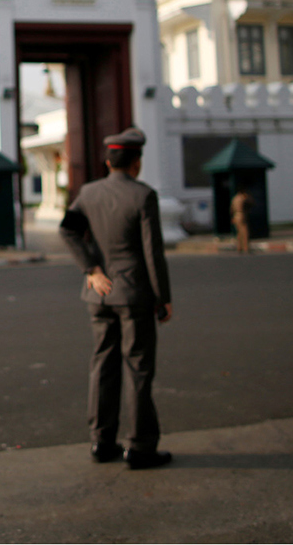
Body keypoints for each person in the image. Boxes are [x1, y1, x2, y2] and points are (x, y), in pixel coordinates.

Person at [59, 127, 173, 470]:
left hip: (99, 293)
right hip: (134, 294)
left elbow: (67, 229)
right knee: (138, 369)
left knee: (102, 366)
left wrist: (91, 269)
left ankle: (101, 441)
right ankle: (140, 446)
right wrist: (163, 297)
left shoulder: (88, 193)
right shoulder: (143, 196)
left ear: (109, 161)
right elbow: (152, 251)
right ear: (136, 163)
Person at [230, 186, 253, 254]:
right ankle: (246, 248)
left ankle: (239, 247)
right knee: (245, 232)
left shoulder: (235, 198)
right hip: (241, 215)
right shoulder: (243, 197)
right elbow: (251, 202)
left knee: (239, 233)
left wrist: (233, 217)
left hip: (235, 215)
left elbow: (231, 209)